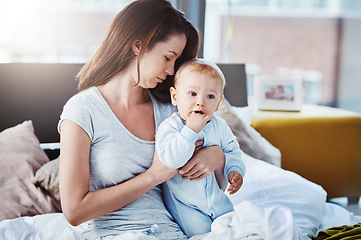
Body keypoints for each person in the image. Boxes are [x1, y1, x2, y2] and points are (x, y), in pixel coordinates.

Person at [57, 1, 227, 239]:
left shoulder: (171, 109)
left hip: (174, 232)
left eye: (176, 62)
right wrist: (154, 176)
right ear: (138, 45)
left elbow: (217, 141)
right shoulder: (83, 110)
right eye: (168, 58)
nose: (171, 71)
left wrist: (217, 155)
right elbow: (74, 211)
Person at [156, 58, 246, 237]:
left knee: (238, 230)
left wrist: (235, 170)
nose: (200, 102)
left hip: (219, 202)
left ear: (218, 103)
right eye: (192, 94)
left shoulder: (220, 126)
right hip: (186, 206)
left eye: (210, 96)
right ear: (175, 97)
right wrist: (190, 130)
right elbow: (171, 159)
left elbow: (232, 151)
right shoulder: (170, 127)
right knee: (203, 235)